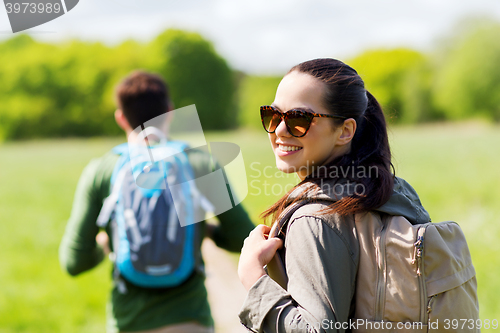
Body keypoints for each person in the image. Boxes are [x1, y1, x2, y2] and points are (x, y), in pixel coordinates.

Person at [237, 58, 431, 332]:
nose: (279, 130)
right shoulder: (396, 194)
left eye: (298, 119)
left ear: (345, 131)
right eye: (273, 115)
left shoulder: (314, 219)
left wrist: (253, 278)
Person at [59, 70, 255, 333]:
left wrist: (108, 243)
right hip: (190, 319)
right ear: (169, 111)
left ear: (120, 117)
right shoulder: (200, 163)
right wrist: (205, 230)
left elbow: (74, 262)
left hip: (129, 322)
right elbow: (242, 237)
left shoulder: (102, 170)